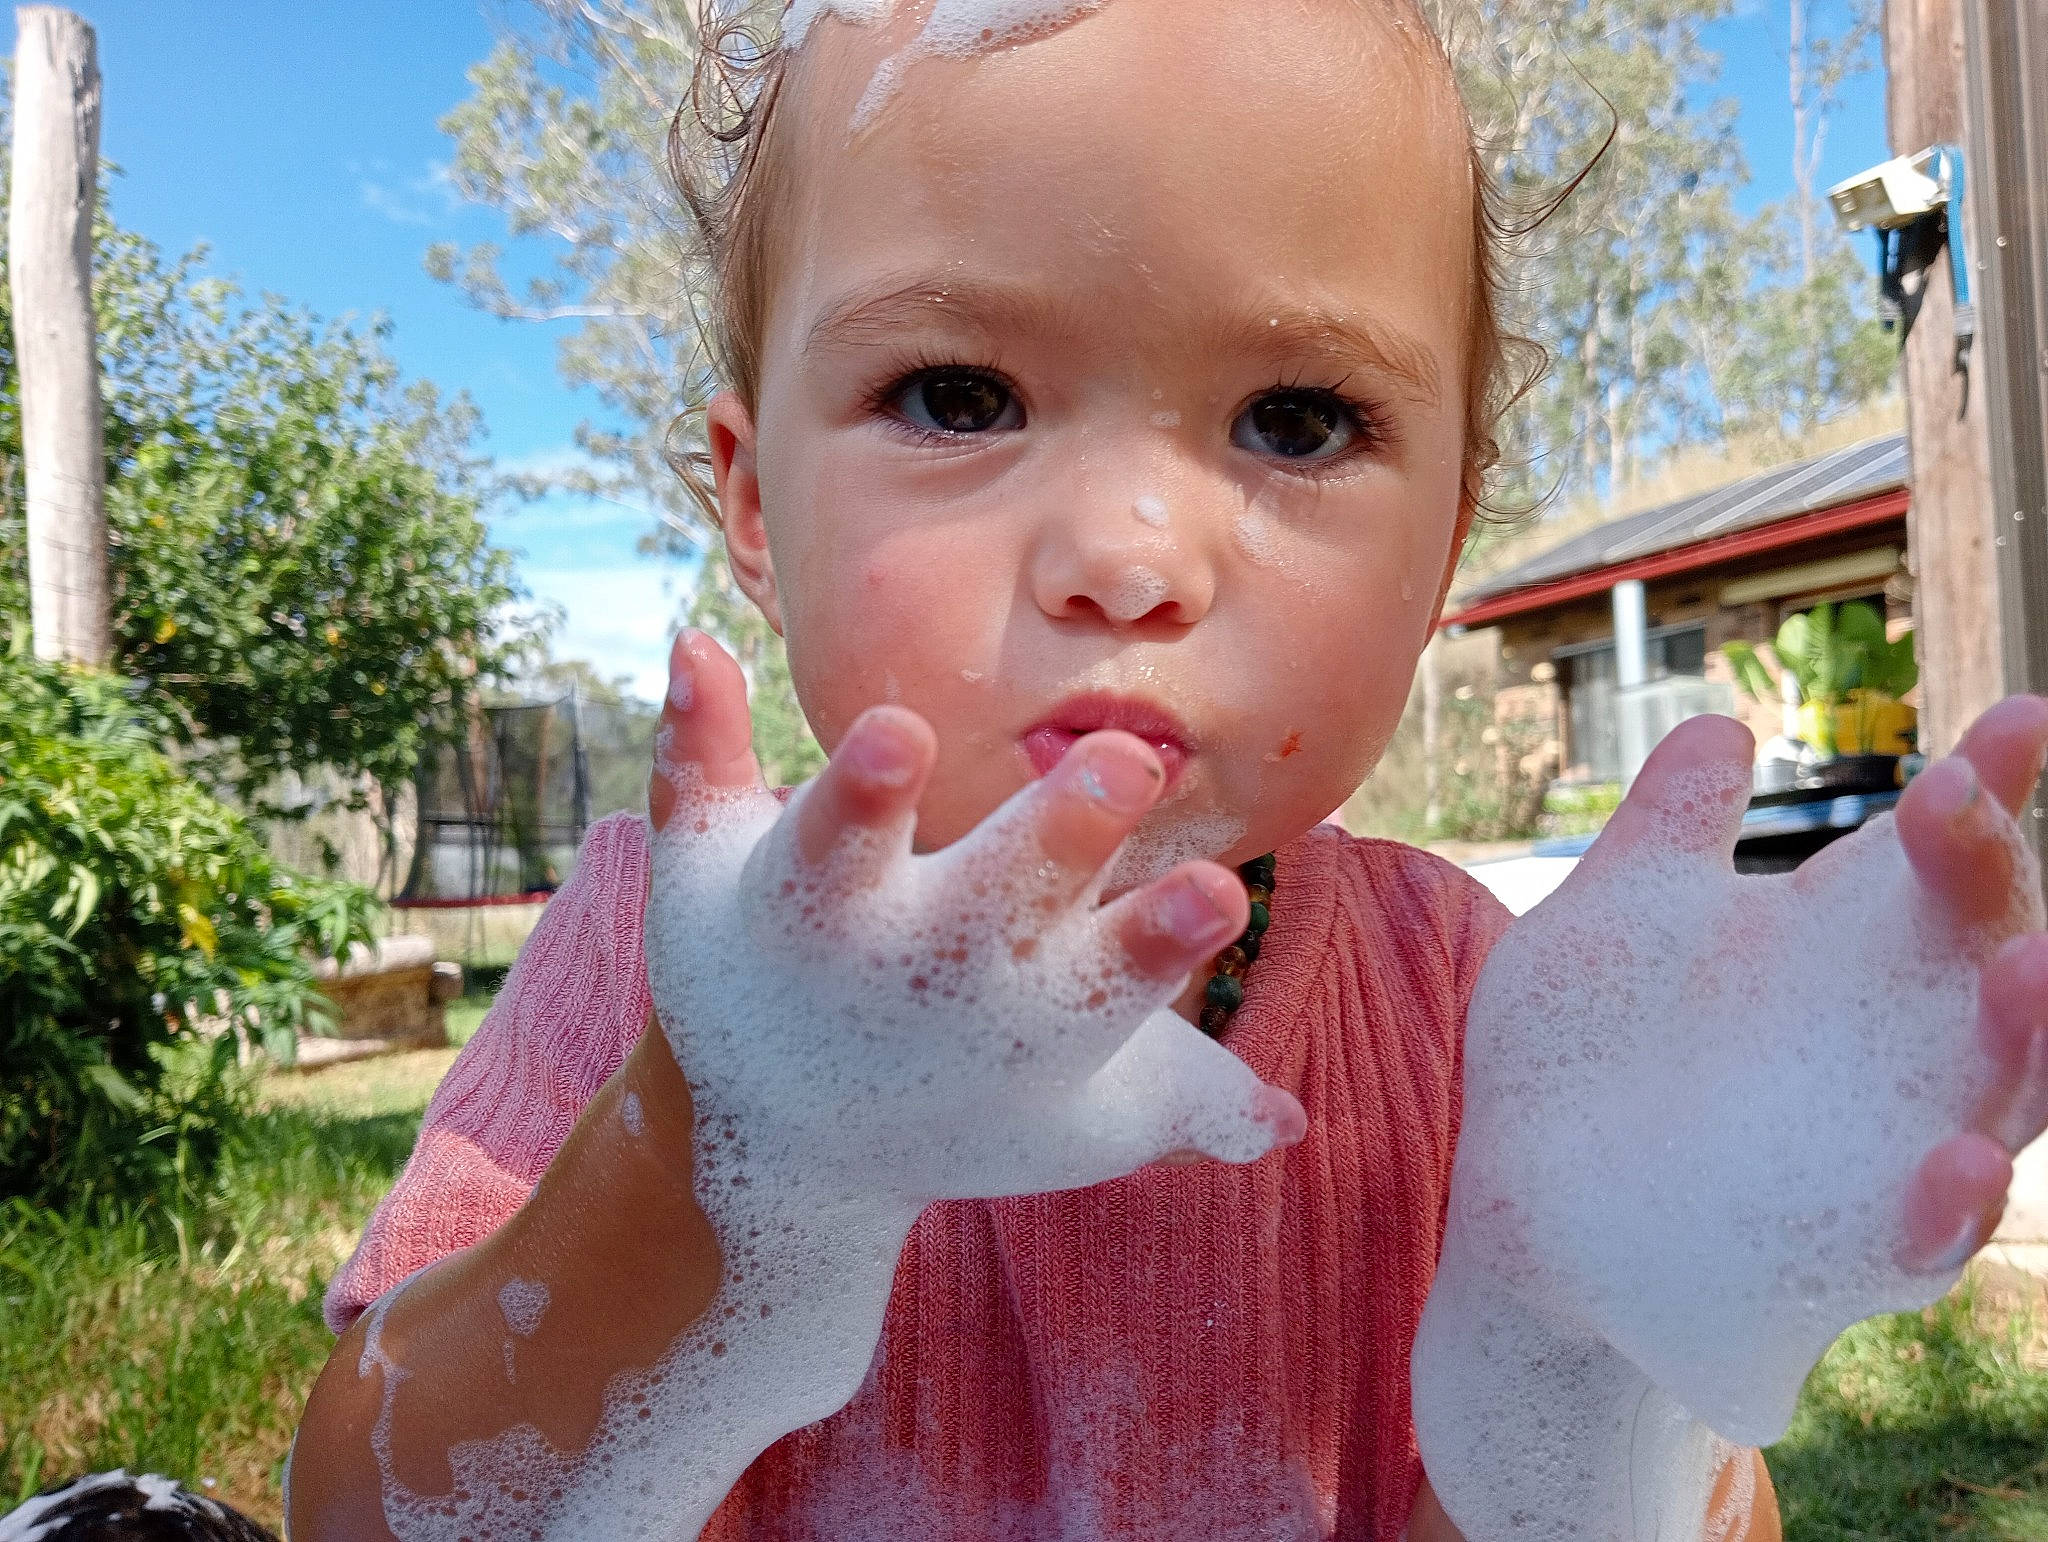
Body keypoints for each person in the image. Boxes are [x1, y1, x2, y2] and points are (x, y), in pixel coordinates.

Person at [286, 2, 2048, 1537]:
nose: (1130, 553)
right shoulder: (667, 960)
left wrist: (1593, 1346)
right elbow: (374, 1510)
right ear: (757, 506)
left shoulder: (1483, 1027)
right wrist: (721, 1144)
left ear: (1440, 548)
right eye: (960, 392)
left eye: (1295, 419)